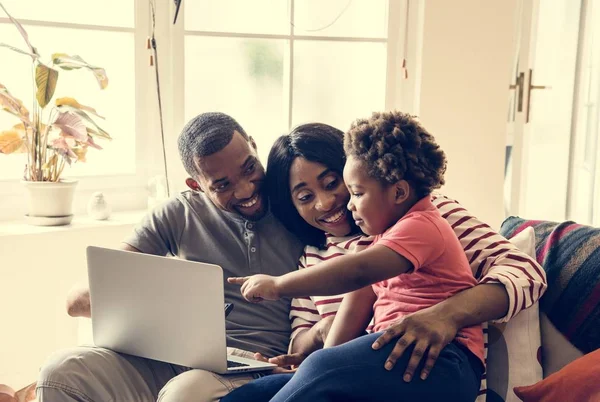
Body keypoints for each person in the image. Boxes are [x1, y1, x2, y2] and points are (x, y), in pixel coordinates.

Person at [223, 114, 547, 402]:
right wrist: (315, 358)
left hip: (441, 364)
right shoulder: (319, 256)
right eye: (306, 197)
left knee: (320, 368)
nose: (328, 203)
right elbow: (352, 303)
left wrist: (447, 315)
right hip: (373, 373)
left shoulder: (426, 218)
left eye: (338, 185)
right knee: (253, 393)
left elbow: (525, 273)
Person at [35, 112, 306, 402]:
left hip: (250, 365)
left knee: (183, 392)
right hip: (170, 357)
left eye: (249, 168)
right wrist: (166, 311)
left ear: (253, 145)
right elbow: (78, 301)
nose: (246, 189)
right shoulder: (179, 213)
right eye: (222, 185)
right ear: (196, 185)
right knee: (60, 373)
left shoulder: (298, 204)